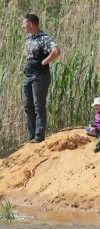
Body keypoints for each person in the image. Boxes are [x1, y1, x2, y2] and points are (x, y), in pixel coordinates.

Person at [21, 13, 61, 143]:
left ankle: (39, 136)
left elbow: (56, 51)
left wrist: (44, 62)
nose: (23, 26)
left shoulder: (44, 38)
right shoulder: (29, 38)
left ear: (31, 24)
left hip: (40, 77)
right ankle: (31, 136)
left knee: (39, 106)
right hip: (28, 76)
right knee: (28, 106)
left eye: (24, 23)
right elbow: (27, 52)